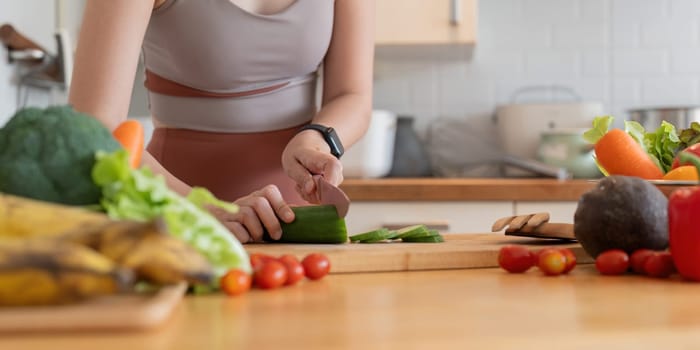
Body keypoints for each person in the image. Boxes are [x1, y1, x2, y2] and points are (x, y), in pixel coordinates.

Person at [68, 0, 374, 243]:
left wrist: (316, 138)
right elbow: (93, 127)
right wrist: (202, 209)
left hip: (295, 218)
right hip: (178, 214)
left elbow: (352, 95)